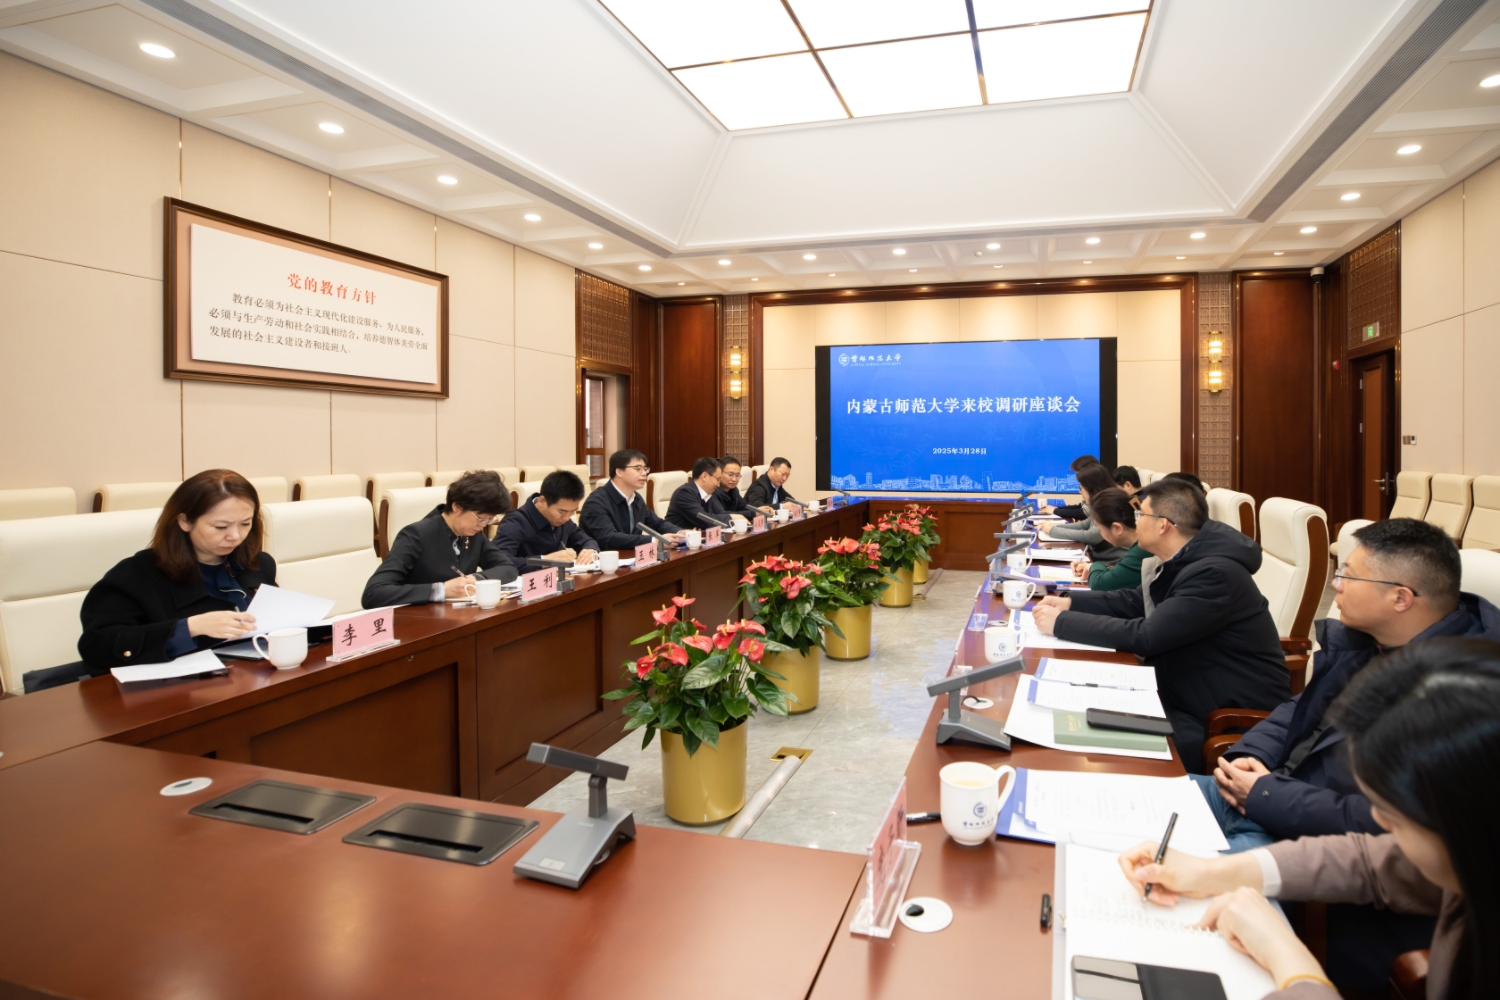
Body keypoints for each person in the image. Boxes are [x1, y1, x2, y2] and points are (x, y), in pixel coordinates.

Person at [1117, 638, 1500, 1000]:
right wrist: (1212, 872)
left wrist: (1287, 956)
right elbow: (1369, 859)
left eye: (1394, 815)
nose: (1380, 823)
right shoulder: (1469, 849)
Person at [1203, 518, 1499, 849]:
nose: (1335, 584)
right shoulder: (1370, 639)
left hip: (1312, 841)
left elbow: (1394, 823)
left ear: (1401, 598)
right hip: (1262, 794)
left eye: (1348, 575)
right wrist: (1251, 754)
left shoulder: (1463, 696)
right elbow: (1300, 708)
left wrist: (1267, 795)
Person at [1031, 478, 1289, 773]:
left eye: (1141, 514)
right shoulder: (1188, 558)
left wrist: (1061, 623)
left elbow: (1147, 636)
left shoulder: (1215, 574)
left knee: (1097, 753)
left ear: (1163, 525)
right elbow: (1136, 602)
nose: (1135, 521)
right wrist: (1070, 603)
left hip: (1221, 717)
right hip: (1184, 689)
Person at [71, 470, 276, 687]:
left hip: (253, 680)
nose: (235, 536)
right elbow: (97, 645)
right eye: (221, 527)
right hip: (180, 692)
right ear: (185, 521)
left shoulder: (258, 564)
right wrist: (190, 627)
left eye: (245, 523)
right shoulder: (139, 573)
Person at [362, 470, 518, 608]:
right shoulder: (416, 535)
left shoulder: (473, 533)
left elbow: (508, 567)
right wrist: (440, 590)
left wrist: (475, 579)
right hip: (420, 619)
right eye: (480, 518)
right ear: (457, 507)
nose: (483, 525)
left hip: (459, 616)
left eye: (489, 520)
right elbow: (373, 593)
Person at [578, 448, 685, 550]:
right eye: (638, 469)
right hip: (603, 560)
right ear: (619, 472)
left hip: (631, 558)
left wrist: (681, 533)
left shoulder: (636, 498)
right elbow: (609, 538)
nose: (644, 473)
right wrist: (654, 541)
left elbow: (658, 523)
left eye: (645, 469)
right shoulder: (596, 502)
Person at [493, 469, 599, 566]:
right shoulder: (514, 522)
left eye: (573, 511)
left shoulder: (563, 520)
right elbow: (499, 561)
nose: (567, 518)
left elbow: (586, 540)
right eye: (562, 511)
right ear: (542, 501)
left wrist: (590, 550)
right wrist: (545, 560)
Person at [1038, 463, 1128, 562]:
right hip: (1096, 557)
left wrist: (1053, 530)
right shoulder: (1101, 502)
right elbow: (1084, 525)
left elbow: (1092, 536)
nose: (1080, 492)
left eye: (1081, 488)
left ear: (1092, 487)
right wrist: (1052, 527)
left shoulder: (1110, 504)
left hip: (1111, 564)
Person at [1068, 487, 1145, 592]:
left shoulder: (1142, 549)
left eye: (1100, 529)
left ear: (1117, 528)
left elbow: (1099, 584)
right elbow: (1121, 572)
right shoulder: (1139, 544)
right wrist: (1091, 567)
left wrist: (1095, 565)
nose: (1100, 533)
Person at [666, 457, 732, 530]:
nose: (718, 485)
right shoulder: (684, 493)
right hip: (680, 536)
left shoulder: (709, 493)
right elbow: (705, 520)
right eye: (718, 479)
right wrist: (731, 518)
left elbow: (722, 514)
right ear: (704, 476)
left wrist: (731, 518)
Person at [1046, 454, 1102, 521]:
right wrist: (1056, 509)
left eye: (1077, 473)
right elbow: (1081, 507)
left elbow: (1083, 513)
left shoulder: (1099, 493)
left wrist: (1055, 511)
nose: (1076, 477)